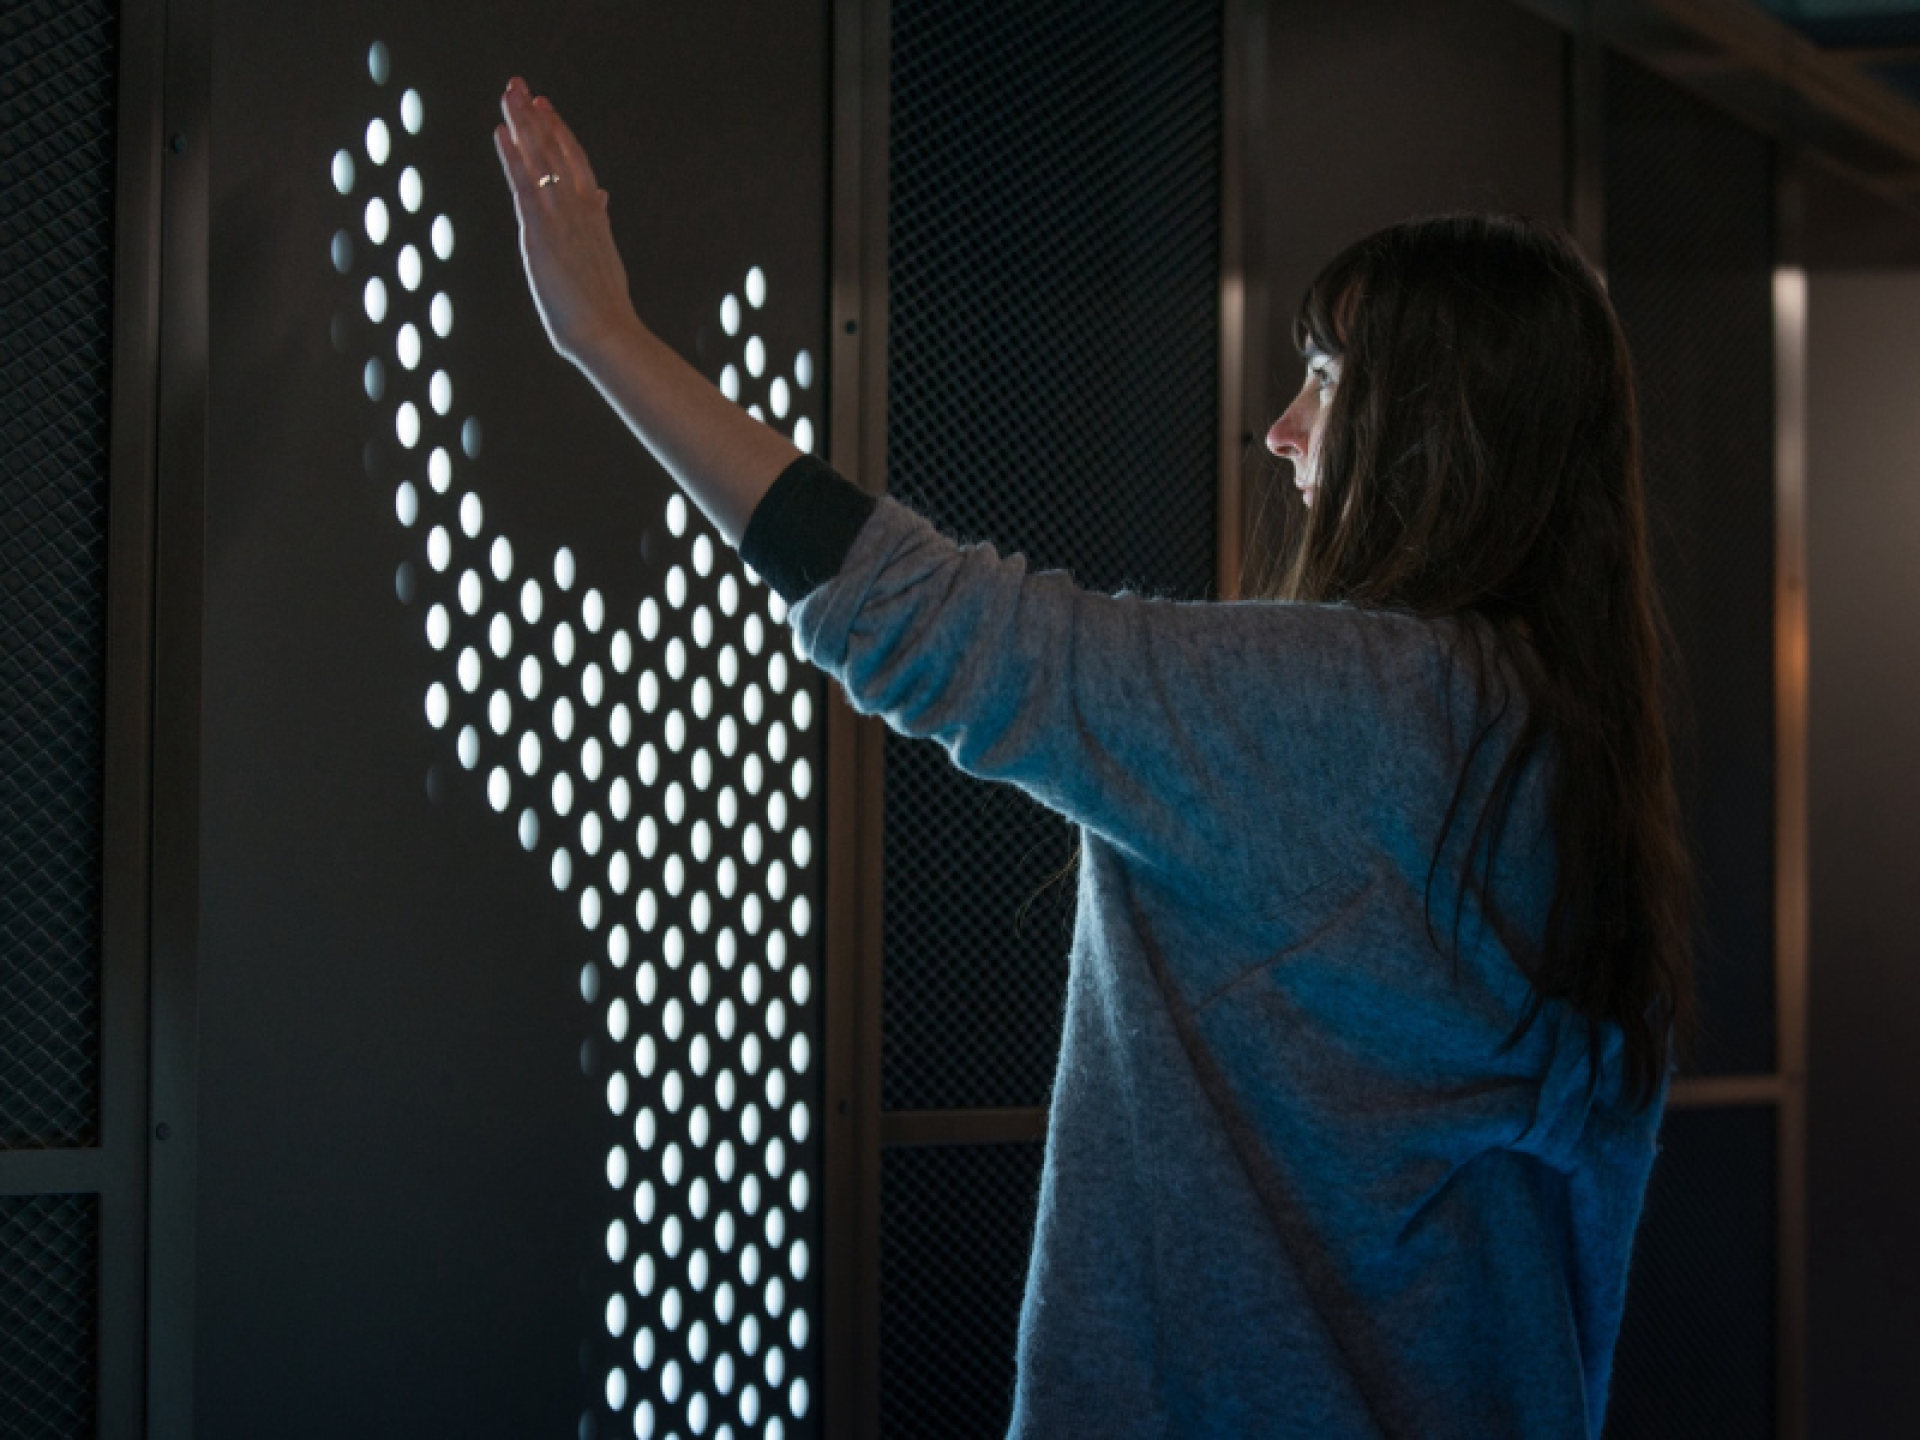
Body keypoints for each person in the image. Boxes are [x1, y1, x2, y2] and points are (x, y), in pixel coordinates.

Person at [493, 74, 1696, 1439]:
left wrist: (605, 337)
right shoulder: (1574, 755)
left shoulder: (1345, 710)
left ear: (1441, 430)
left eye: (1328, 380)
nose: (1287, 434)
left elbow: (932, 621)